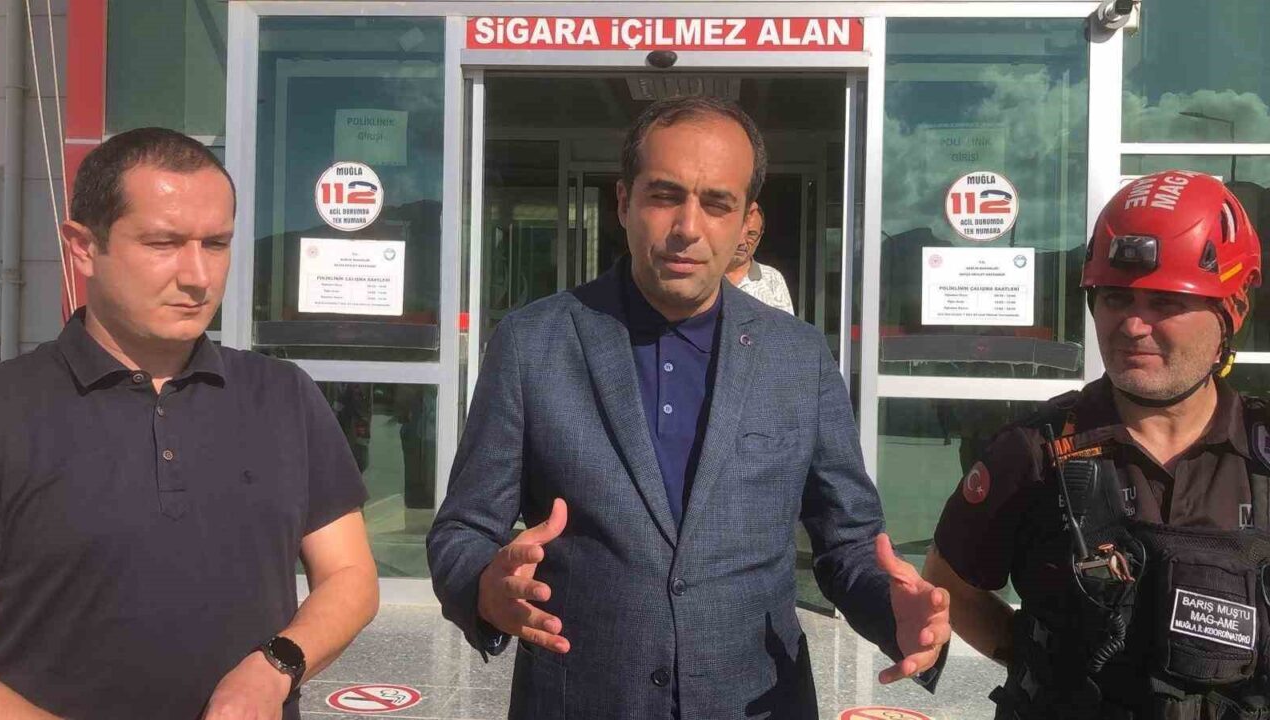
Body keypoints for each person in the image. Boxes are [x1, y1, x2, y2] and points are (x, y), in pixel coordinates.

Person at [427, 97, 950, 719]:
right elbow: (462, 530)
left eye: (717, 203)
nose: (688, 227)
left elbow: (849, 544)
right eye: (664, 195)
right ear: (623, 201)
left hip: (757, 703)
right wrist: (483, 589)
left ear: (747, 221)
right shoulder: (532, 344)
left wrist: (895, 610)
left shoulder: (799, 357)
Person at [0, 128, 379, 720]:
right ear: (83, 247)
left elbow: (349, 575)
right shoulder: (5, 408)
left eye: (216, 244)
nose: (198, 276)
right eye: (163, 243)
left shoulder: (282, 395)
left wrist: (275, 668)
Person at [924, 170, 1269, 719]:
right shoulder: (1034, 451)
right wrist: (1040, 671)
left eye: (1164, 301)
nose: (1132, 325)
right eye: (1114, 297)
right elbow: (950, 581)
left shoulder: (1260, 458)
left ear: (1233, 311)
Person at [726, 205, 795, 315]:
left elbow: (787, 324)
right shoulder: (705, 274)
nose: (741, 241)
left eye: (751, 234)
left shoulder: (772, 279)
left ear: (760, 236)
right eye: (737, 231)